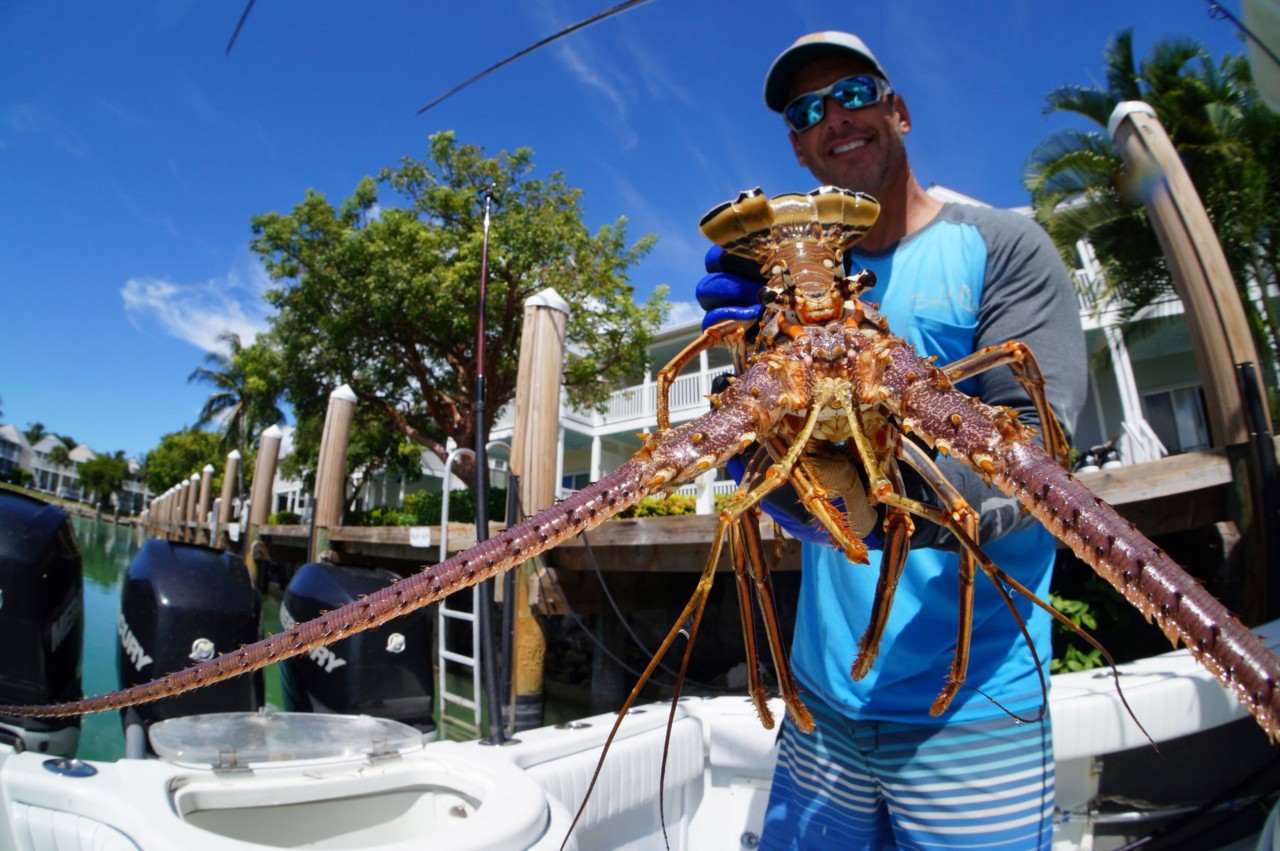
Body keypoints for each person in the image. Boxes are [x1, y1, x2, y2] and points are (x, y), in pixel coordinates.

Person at [696, 32, 1088, 849]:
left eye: (854, 93)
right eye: (807, 111)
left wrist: (869, 506)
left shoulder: (1002, 247)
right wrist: (745, 393)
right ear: (798, 147)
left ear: (897, 108)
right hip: (819, 700)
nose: (833, 116)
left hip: (975, 705)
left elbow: (1041, 459)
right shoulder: (777, 291)